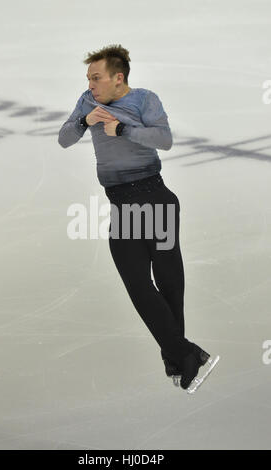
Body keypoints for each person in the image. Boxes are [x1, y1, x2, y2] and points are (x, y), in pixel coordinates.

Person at [58, 44, 219, 393]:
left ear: (119, 78)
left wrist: (124, 130)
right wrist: (86, 120)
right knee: (137, 285)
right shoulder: (88, 102)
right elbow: (64, 139)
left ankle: (179, 357)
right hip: (121, 204)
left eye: (96, 78)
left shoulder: (145, 99)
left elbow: (165, 139)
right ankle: (184, 354)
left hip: (154, 198)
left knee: (169, 282)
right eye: (88, 78)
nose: (90, 84)